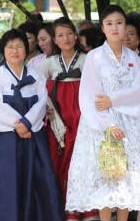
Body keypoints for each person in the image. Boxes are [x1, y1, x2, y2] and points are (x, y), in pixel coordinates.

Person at [66, 5, 140, 221]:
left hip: (130, 124)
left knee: (126, 179)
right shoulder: (95, 58)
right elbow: (89, 97)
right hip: (101, 126)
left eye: (119, 23)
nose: (115, 27)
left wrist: (113, 99)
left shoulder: (134, 57)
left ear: (126, 26)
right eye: (109, 24)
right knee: (106, 178)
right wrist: (109, 124)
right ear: (103, 29)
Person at [0, 29, 65, 221]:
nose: (15, 51)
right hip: (3, 140)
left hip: (32, 136)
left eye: (19, 46)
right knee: (5, 182)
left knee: (36, 180)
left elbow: (42, 101)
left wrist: (27, 123)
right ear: (3, 50)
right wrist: (19, 125)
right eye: (10, 47)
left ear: (26, 48)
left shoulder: (36, 74)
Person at [38, 16, 98, 221]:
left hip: (83, 119)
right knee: (60, 165)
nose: (66, 38)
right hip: (58, 121)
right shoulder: (49, 63)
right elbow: (37, 87)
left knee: (83, 164)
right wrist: (45, 109)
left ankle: (89, 211)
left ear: (76, 35)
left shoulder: (89, 58)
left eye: (69, 33)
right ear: (54, 39)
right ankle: (65, 211)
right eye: (60, 35)